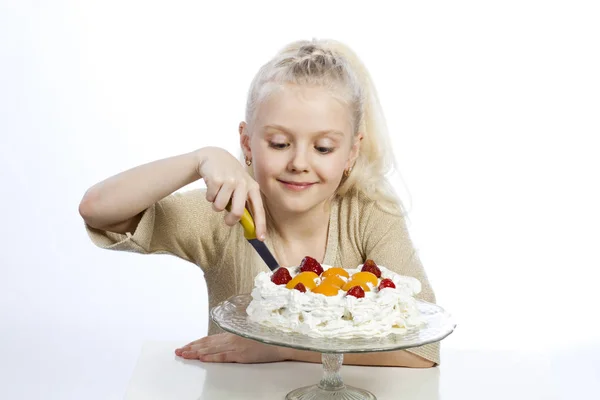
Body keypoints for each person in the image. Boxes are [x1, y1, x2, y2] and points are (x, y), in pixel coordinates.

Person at [79, 38, 439, 368]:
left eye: (324, 148)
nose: (299, 162)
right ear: (248, 143)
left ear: (351, 152)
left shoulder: (367, 214)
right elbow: (98, 209)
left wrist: (283, 348)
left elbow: (423, 351)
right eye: (280, 143)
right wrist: (199, 159)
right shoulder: (227, 212)